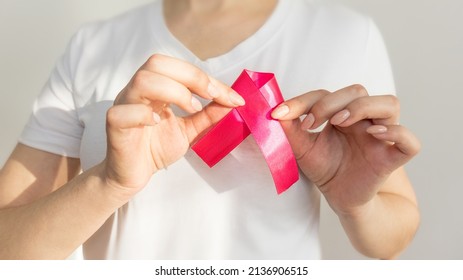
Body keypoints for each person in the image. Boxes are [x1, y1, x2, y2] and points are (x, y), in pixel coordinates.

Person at [0, 0, 420, 259]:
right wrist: (109, 184)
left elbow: (391, 239)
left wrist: (356, 205)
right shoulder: (92, 46)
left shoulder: (344, 36)